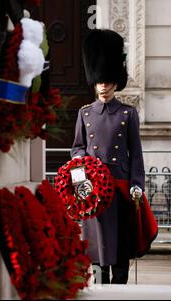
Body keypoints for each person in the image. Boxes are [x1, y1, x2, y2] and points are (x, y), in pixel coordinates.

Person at [71, 29, 145, 284]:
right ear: (94, 81)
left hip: (120, 188)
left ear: (116, 82)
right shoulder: (85, 114)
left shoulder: (128, 114)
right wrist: (81, 181)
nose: (103, 85)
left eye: (108, 80)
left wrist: (137, 184)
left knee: (120, 242)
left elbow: (135, 154)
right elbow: (78, 149)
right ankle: (102, 284)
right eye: (100, 80)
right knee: (97, 244)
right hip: (93, 190)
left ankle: (120, 284)